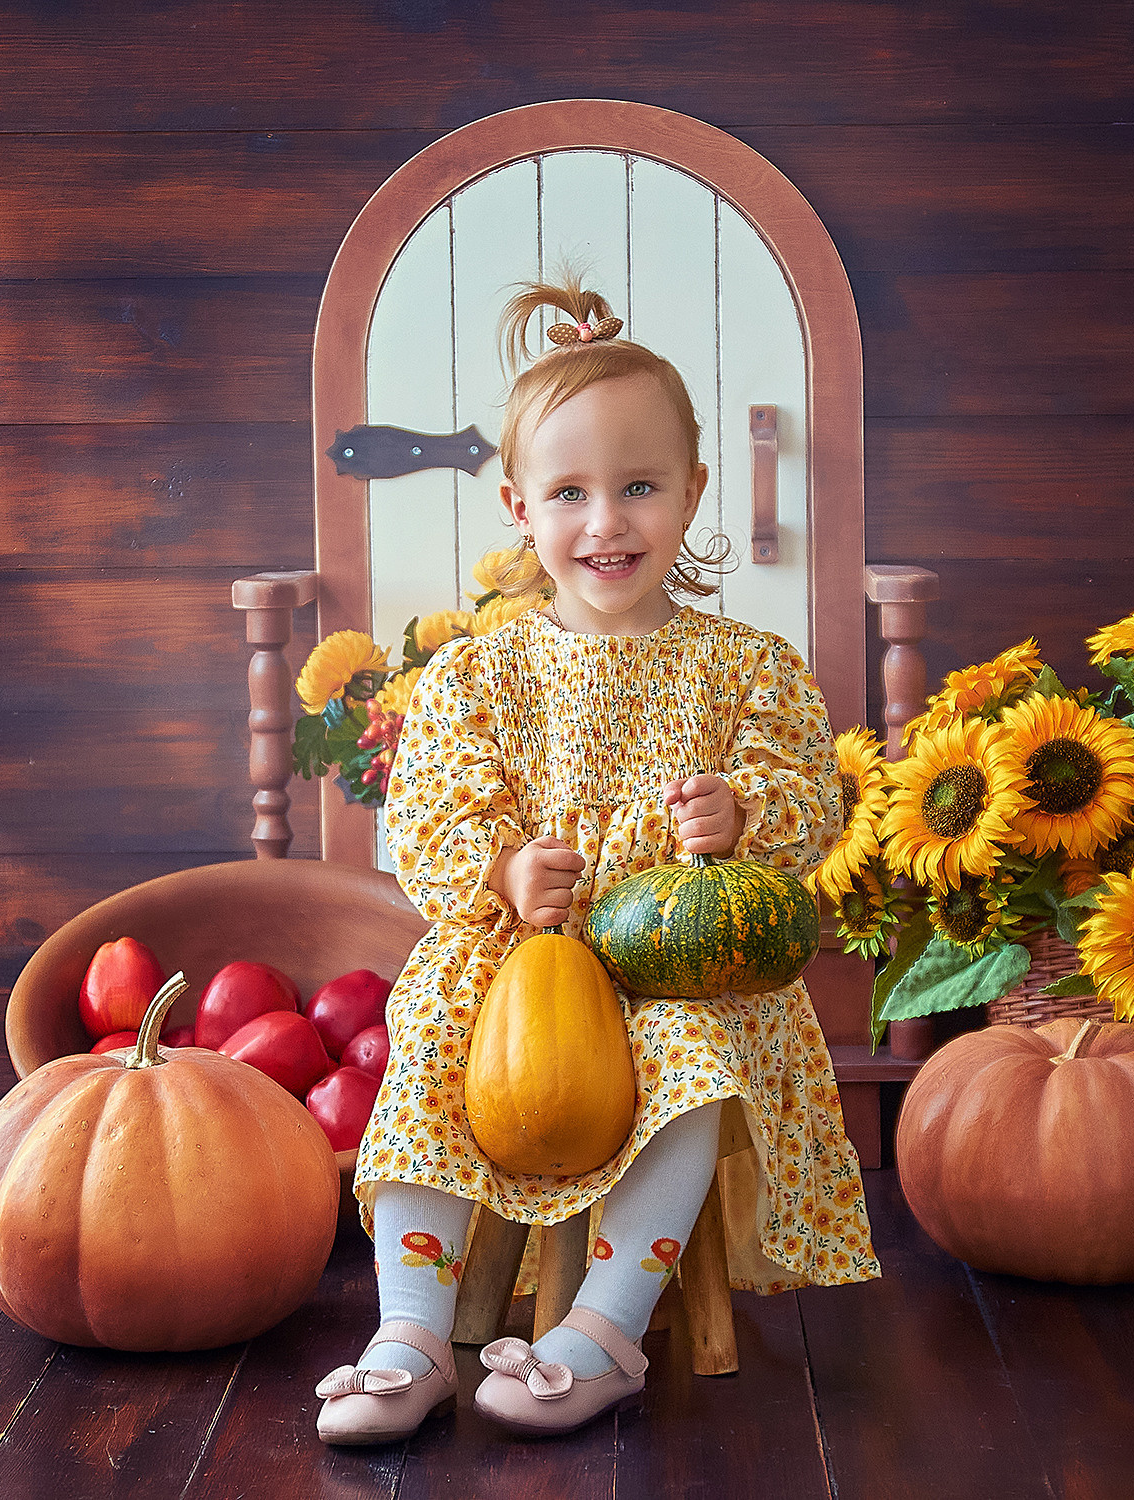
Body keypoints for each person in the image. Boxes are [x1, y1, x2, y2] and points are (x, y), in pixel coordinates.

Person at [315, 271, 879, 1445]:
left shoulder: (748, 666)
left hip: (677, 961)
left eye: (637, 487)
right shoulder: (480, 674)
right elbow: (430, 813)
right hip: (523, 963)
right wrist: (503, 869)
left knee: (699, 1043)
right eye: (570, 492)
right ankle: (410, 1329)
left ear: (691, 494)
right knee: (426, 1024)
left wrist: (744, 816)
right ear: (520, 509)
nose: (605, 522)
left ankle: (606, 1327)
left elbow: (807, 793)